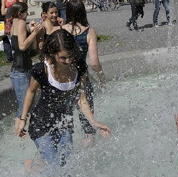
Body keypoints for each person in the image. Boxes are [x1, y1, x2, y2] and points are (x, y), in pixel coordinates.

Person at [15, 29, 111, 169]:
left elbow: (81, 98)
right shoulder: (42, 70)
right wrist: (23, 119)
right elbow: (31, 91)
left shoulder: (79, 67)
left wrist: (94, 122)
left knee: (66, 164)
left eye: (70, 56)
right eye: (63, 58)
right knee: (55, 167)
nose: (68, 61)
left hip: (64, 123)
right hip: (41, 125)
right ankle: (34, 165)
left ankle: (34, 165)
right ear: (53, 54)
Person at [62, 0, 106, 146]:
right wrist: (101, 77)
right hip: (81, 78)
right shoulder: (89, 31)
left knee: (65, 116)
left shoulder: (61, 30)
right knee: (87, 118)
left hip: (63, 78)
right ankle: (89, 148)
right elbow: (94, 62)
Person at [10, 2, 43, 124]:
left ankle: (22, 130)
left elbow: (20, 36)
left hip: (18, 71)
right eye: (26, 12)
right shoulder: (21, 23)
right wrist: (34, 33)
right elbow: (22, 46)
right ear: (20, 13)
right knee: (24, 106)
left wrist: (30, 28)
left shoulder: (14, 22)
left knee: (24, 105)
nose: (27, 14)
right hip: (21, 72)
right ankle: (19, 130)